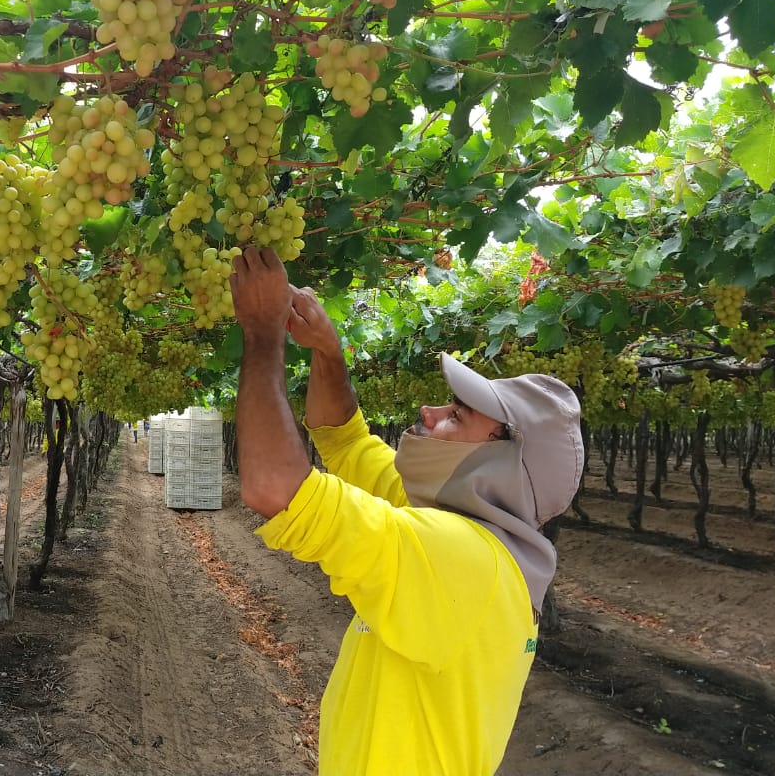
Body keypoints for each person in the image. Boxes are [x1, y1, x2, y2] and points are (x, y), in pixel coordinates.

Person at [229, 246, 584, 776]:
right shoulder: (458, 526)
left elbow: (274, 486)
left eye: (456, 416)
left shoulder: (459, 557)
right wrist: (329, 353)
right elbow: (344, 440)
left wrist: (262, 334)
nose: (429, 410)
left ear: (496, 461)